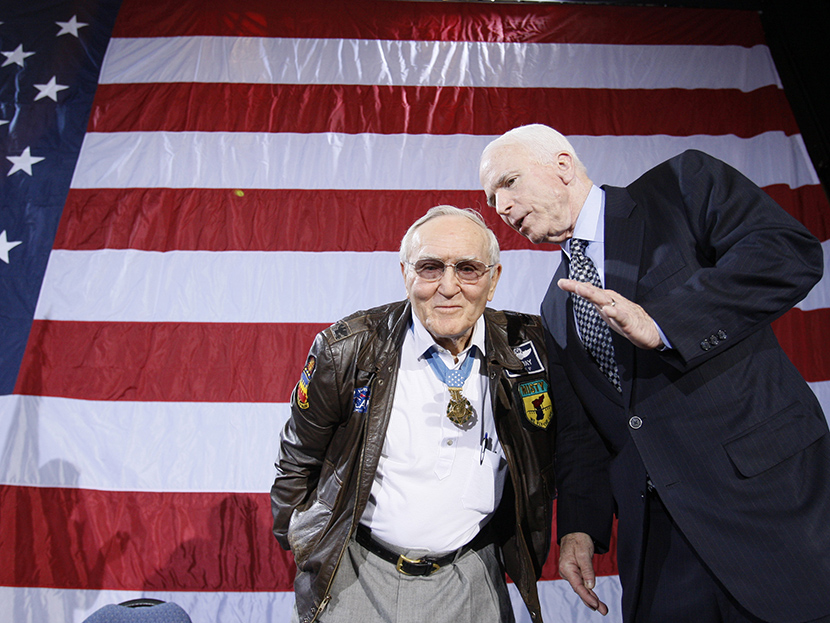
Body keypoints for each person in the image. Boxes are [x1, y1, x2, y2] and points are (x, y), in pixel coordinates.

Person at [479, 124, 830, 623]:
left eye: (508, 183)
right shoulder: (554, 309)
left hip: (770, 513)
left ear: (561, 165)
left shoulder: (680, 188)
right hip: (661, 548)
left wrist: (664, 323)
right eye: (493, 200)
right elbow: (583, 434)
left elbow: (787, 253)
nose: (503, 207)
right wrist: (580, 527)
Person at [271, 206, 556, 623]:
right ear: (406, 274)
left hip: (473, 574)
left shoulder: (533, 348)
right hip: (359, 575)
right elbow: (297, 462)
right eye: (429, 268)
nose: (448, 287)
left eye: (468, 269)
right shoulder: (345, 349)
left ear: (493, 281)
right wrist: (307, 548)